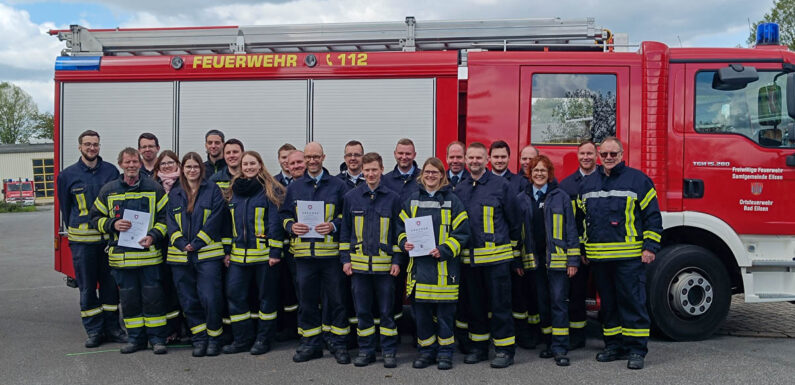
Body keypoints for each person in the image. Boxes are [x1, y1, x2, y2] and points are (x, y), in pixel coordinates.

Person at [579, 137, 662, 370]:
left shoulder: (638, 180)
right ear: (598, 155)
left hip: (629, 259)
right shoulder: (588, 184)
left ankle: (636, 350)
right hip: (599, 259)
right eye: (604, 154)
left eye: (613, 154)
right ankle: (613, 346)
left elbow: (652, 217)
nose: (608, 158)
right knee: (608, 306)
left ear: (622, 154)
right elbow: (581, 221)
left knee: (633, 303)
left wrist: (650, 247)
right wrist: (583, 249)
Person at [90, 147, 169, 354]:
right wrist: (112, 224)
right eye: (127, 162)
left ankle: (158, 339)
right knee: (130, 302)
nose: (132, 165)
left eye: (135, 162)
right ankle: (135, 340)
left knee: (154, 300)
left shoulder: (154, 188)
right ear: (120, 164)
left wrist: (153, 235)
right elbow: (94, 219)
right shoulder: (108, 190)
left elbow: (165, 219)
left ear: (140, 164)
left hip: (149, 257)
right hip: (122, 260)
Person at [280, 142, 351, 364]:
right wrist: (291, 226)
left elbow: (347, 217)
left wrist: (334, 226)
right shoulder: (295, 187)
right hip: (303, 257)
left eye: (316, 156)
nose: (312, 161)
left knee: (337, 301)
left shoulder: (338, 186)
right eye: (308, 157)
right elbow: (283, 215)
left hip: (330, 256)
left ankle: (338, 344)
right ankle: (310, 344)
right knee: (307, 302)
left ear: (323, 157)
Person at [397, 157, 470, 371]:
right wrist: (404, 243)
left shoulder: (453, 201)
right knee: (422, 316)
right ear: (422, 175)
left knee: (446, 316)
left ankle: (445, 353)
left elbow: (463, 233)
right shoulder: (411, 201)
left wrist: (445, 249)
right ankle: (426, 352)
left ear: (442, 175)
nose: (431, 176)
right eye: (427, 172)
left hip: (445, 270)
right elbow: (399, 229)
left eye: (435, 172)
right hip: (420, 271)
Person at [453, 142, 521, 369]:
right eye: (470, 158)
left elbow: (515, 221)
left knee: (501, 306)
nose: (474, 161)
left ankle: (504, 350)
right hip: (469, 262)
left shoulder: (501, 185)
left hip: (497, 261)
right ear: (465, 160)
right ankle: (479, 348)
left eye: (478, 158)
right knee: (475, 307)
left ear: (487, 160)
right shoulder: (460, 189)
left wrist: (509, 249)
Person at [56, 130, 125, 348]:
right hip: (82, 244)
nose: (91, 148)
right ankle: (94, 331)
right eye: (87, 144)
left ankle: (112, 328)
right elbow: (66, 209)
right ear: (80, 147)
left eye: (95, 144)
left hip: (107, 242)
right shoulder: (67, 175)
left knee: (110, 287)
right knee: (87, 289)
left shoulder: (111, 171)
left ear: (99, 146)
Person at [339, 152, 402, 368]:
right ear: (362, 172)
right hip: (358, 268)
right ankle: (365, 351)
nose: (371, 174)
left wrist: (397, 260)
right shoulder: (351, 198)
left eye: (374, 169)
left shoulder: (393, 198)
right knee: (362, 312)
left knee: (386, 312)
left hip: (385, 268)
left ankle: (389, 351)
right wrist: (345, 259)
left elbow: (398, 233)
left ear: (382, 170)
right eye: (367, 170)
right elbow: (345, 232)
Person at [515, 155, 580, 366]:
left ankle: (561, 348)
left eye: (543, 170)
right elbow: (517, 233)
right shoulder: (521, 198)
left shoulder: (560, 197)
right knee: (542, 304)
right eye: (535, 170)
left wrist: (573, 260)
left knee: (558, 303)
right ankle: (550, 343)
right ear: (529, 173)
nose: (539, 174)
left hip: (558, 261)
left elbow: (571, 229)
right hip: (534, 261)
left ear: (549, 173)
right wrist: (517, 261)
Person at [222, 151, 286, 356]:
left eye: (252, 163)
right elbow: (227, 225)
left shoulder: (270, 189)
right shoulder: (233, 190)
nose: (248, 167)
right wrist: (227, 251)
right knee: (235, 295)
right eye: (245, 164)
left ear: (260, 165)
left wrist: (275, 251)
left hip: (264, 256)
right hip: (238, 257)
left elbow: (275, 224)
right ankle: (242, 338)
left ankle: (263, 339)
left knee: (266, 298)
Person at [166, 152, 226, 357]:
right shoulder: (175, 193)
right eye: (188, 167)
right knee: (188, 300)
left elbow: (216, 219)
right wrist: (182, 243)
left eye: (196, 167)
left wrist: (197, 243)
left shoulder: (213, 191)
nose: (192, 170)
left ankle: (214, 338)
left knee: (210, 298)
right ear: (182, 169)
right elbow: (170, 222)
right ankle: (199, 339)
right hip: (180, 256)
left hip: (207, 255)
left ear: (202, 169)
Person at [488, 140, 535, 350]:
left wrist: (517, 252)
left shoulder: (521, 182)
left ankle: (522, 334)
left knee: (518, 296)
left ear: (509, 158)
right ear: (489, 159)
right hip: (490, 253)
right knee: (493, 296)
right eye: (496, 157)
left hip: (514, 250)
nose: (499, 160)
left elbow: (521, 220)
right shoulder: (483, 181)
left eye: (503, 157)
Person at [557, 140, 598, 350]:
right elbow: (568, 223)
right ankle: (577, 335)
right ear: (577, 155)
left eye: (590, 153)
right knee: (576, 294)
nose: (586, 157)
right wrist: (579, 251)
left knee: (608, 294)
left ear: (596, 155)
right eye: (583, 153)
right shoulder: (566, 185)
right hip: (578, 251)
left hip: (602, 250)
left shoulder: (605, 180)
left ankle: (612, 337)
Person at [152, 150, 185, 343]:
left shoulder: (185, 183)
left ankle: (186, 327)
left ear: (177, 164)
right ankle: (170, 329)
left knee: (182, 287)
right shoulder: (153, 186)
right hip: (160, 244)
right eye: (163, 164)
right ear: (158, 168)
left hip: (181, 243)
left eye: (170, 162)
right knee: (164, 287)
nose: (167, 166)